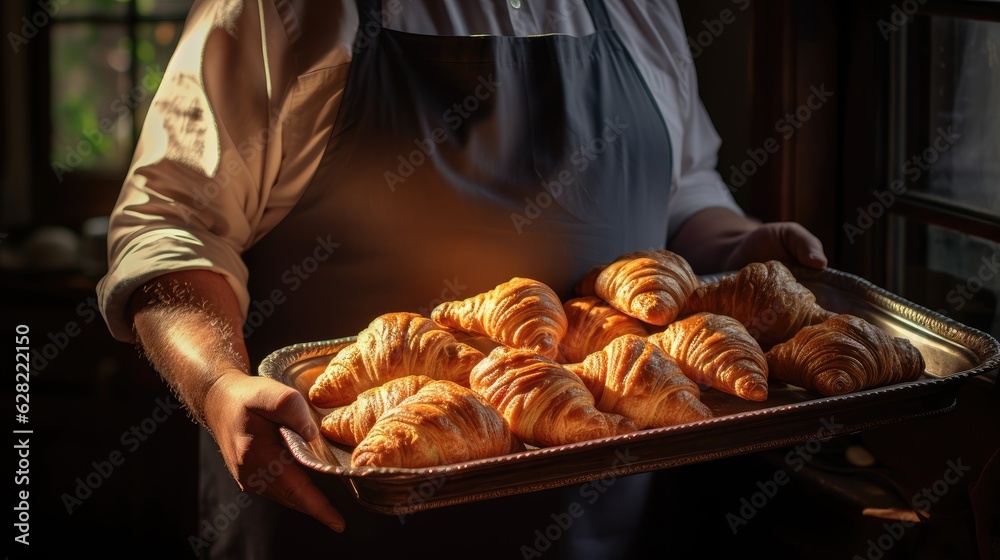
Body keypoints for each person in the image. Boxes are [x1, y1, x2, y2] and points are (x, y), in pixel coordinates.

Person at [98, 1, 828, 558]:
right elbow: (171, 226)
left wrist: (736, 245)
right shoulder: (284, 12)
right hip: (332, 524)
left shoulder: (639, 9)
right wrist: (216, 383)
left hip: (598, 525)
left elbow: (681, 187)